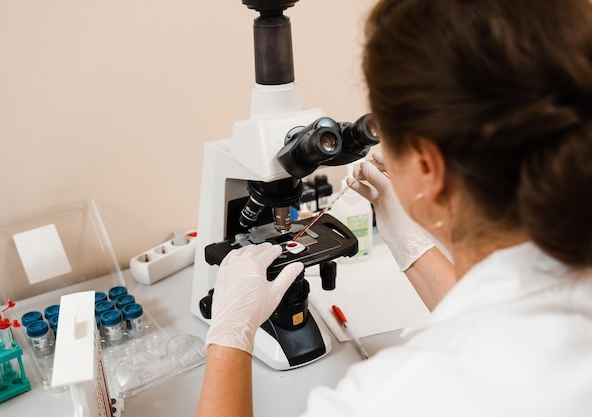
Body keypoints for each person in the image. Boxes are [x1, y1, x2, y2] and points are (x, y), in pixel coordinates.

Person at [196, 0, 592, 415]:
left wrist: (228, 337)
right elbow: (509, 317)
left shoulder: (395, 398)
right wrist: (411, 246)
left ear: (426, 167)